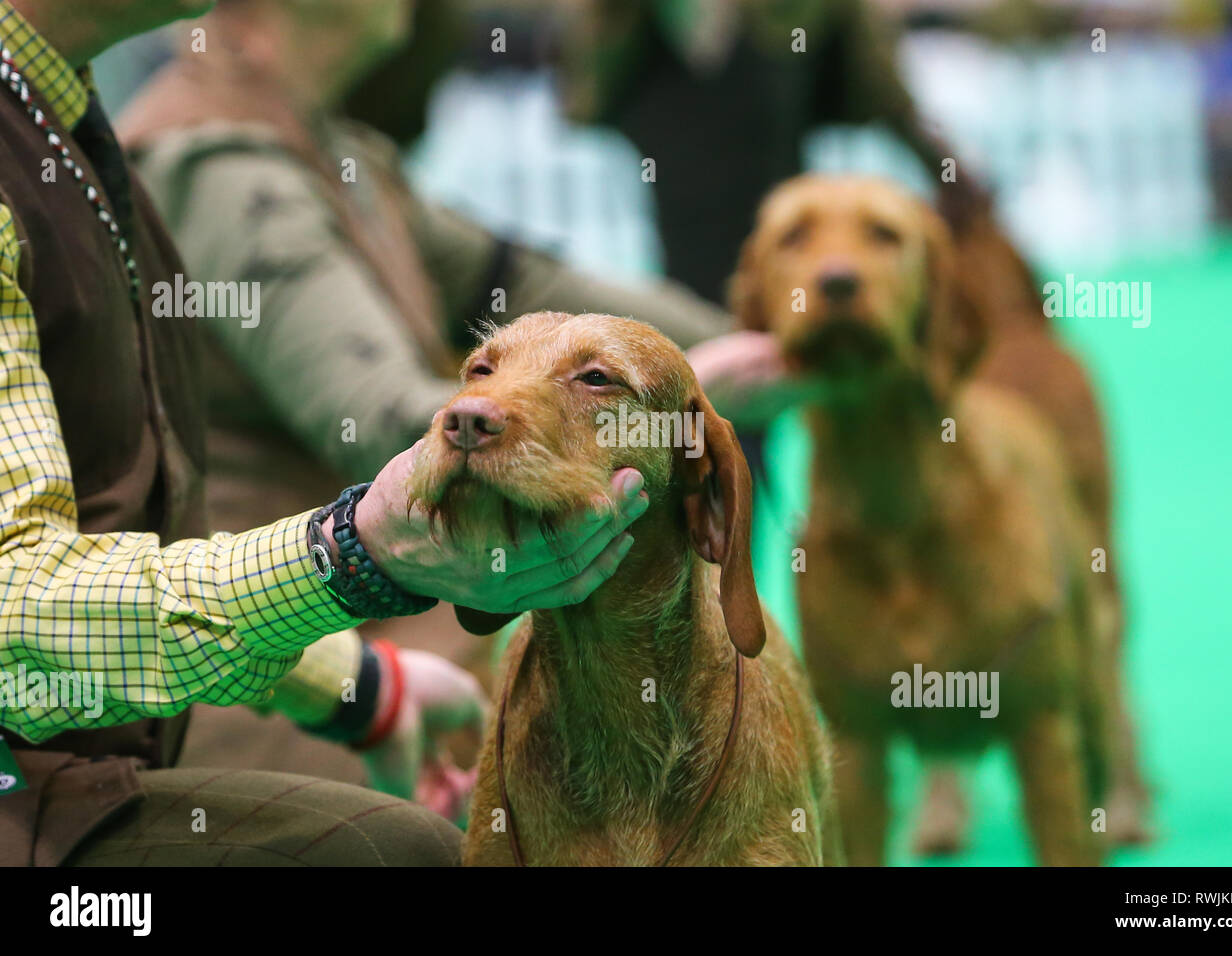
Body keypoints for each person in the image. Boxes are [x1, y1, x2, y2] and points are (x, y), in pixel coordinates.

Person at [0, 0, 648, 866]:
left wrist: (359, 688)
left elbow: (530, 276)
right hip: (107, 755)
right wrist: (349, 555)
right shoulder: (207, 156)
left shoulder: (67, 120)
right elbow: (11, 617)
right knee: (400, 846)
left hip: (170, 716)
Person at [112, 0, 765, 788]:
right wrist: (681, 396)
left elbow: (527, 281)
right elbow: (383, 418)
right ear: (251, 17)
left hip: (394, 616)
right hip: (283, 677)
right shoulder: (220, 169)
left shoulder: (335, 148)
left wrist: (758, 343)